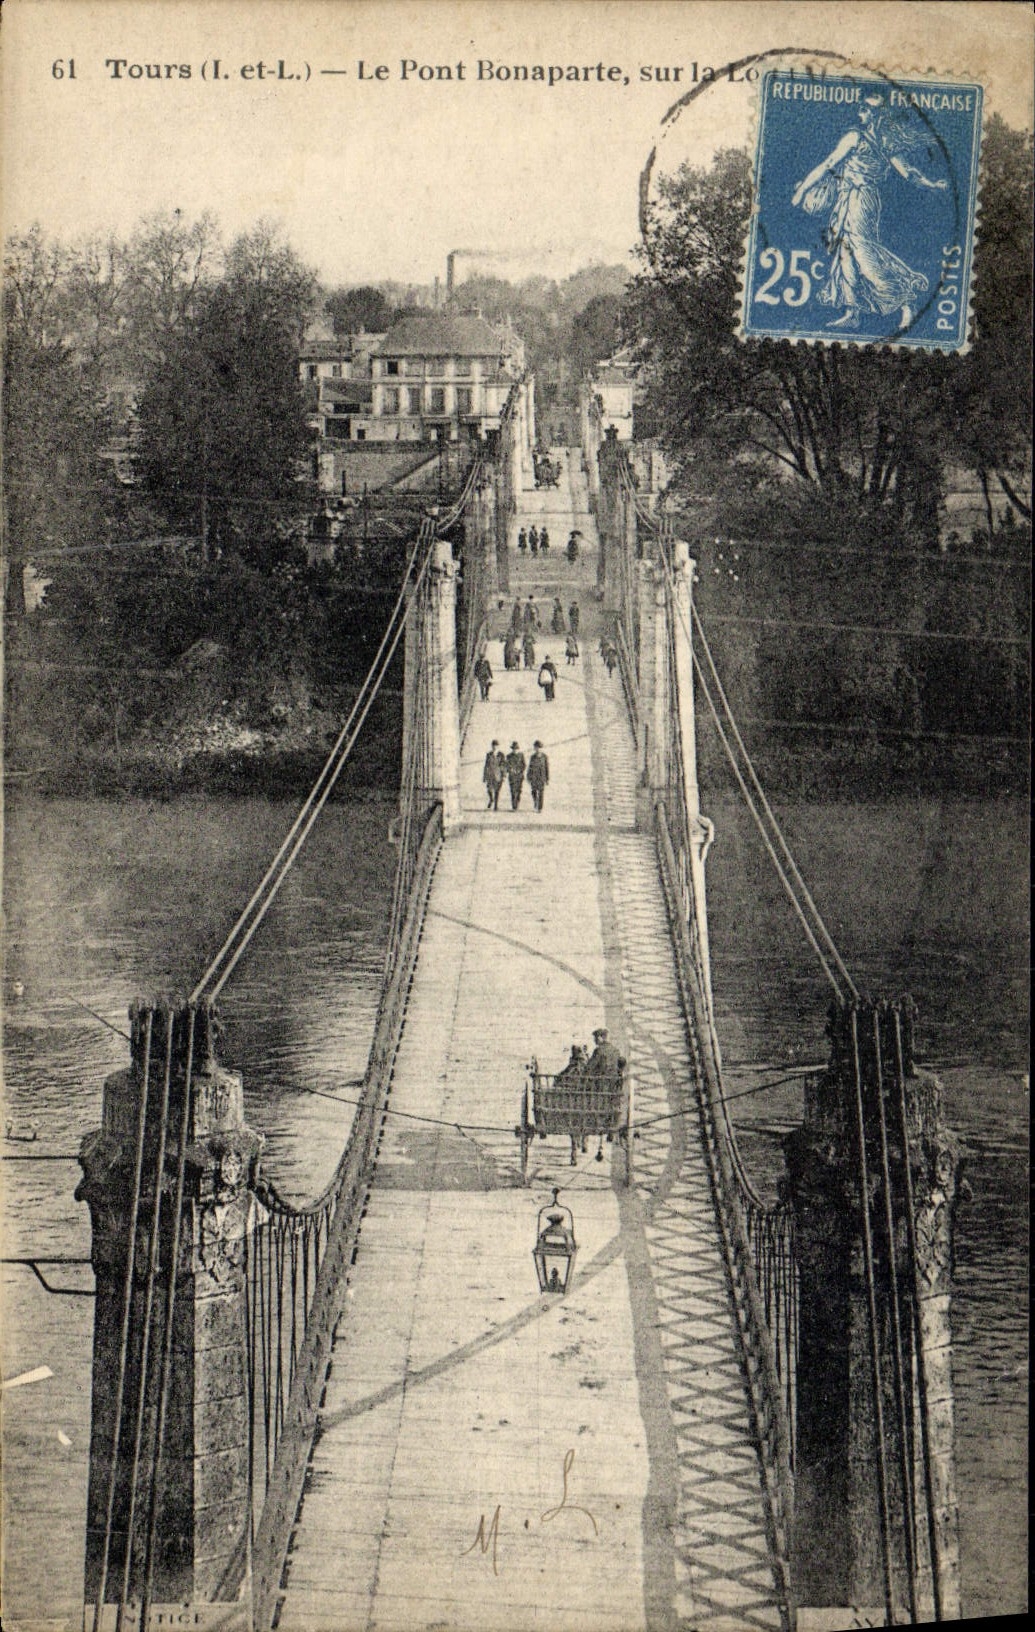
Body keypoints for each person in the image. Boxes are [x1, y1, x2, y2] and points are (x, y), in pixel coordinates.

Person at [790, 95, 947, 331]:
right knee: (845, 253)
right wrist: (803, 189)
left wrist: (932, 184)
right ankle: (852, 312)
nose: (860, 111)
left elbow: (908, 173)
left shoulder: (873, 142)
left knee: (863, 251)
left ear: (877, 115)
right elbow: (829, 164)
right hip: (848, 198)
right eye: (861, 106)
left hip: (862, 199)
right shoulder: (868, 140)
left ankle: (905, 301)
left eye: (866, 108)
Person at [527, 741, 549, 812]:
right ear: (534, 748)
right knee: (533, 791)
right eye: (536, 747)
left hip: (542, 777)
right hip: (534, 777)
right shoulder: (532, 757)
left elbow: (546, 767)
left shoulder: (544, 757)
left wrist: (547, 778)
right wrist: (528, 776)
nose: (538, 749)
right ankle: (535, 801)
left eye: (539, 747)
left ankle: (540, 808)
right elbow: (530, 767)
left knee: (541, 792)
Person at [483, 740, 505, 809]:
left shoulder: (501, 755)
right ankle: (491, 799)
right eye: (493, 745)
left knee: (497, 791)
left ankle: (496, 805)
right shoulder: (489, 754)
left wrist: (503, 775)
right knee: (489, 789)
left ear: (498, 746)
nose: (494, 747)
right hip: (490, 775)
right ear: (491, 746)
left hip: (498, 775)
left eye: (496, 746)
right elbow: (486, 765)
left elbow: (503, 765)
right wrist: (484, 776)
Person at [505, 742, 526, 809]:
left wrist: (520, 770)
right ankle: (514, 806)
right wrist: (510, 770)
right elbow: (507, 765)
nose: (515, 750)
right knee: (513, 791)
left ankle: (517, 802)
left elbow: (524, 765)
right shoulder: (508, 756)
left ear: (518, 749)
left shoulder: (521, 755)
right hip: (512, 776)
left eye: (516, 749)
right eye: (513, 748)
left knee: (519, 790)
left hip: (519, 776)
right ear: (512, 749)